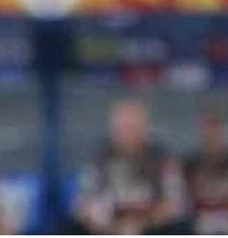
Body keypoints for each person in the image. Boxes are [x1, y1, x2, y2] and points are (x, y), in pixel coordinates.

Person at [73, 99, 187, 234]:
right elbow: (83, 204)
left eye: (133, 128)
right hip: (108, 227)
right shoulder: (98, 159)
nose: (127, 135)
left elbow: (175, 203)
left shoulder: (163, 159)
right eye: (122, 129)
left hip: (151, 226)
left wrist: (143, 224)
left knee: (180, 228)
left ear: (145, 129)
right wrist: (112, 227)